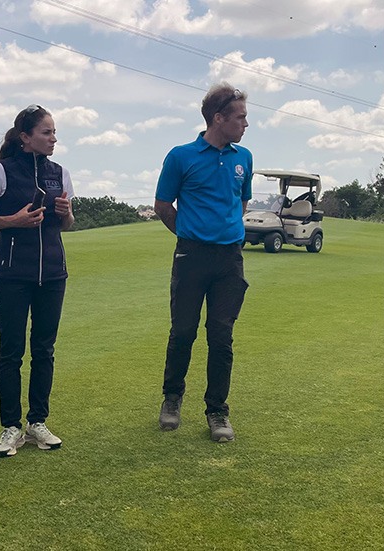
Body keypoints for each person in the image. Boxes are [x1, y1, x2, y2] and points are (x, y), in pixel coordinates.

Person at [0, 105, 74, 457]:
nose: (53, 138)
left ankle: (37, 423)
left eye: (54, 132)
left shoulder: (59, 173)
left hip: (53, 275)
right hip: (13, 275)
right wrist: (13, 220)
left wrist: (67, 214)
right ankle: (11, 427)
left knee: (44, 350)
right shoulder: (1, 171)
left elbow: (67, 224)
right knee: (11, 353)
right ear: (25, 137)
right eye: (46, 132)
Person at [153, 83, 252, 443]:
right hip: (191, 256)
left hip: (229, 260)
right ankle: (172, 398)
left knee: (221, 336)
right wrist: (191, 234)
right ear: (218, 118)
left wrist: (228, 232)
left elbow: (241, 203)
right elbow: (163, 206)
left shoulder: (244, 158)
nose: (246, 123)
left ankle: (217, 410)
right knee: (183, 332)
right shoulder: (181, 156)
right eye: (240, 117)